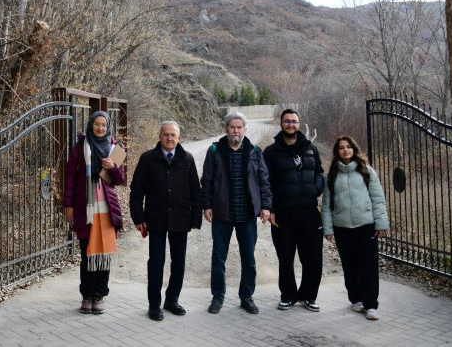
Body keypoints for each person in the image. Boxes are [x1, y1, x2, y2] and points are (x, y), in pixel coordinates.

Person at [130, 121, 202, 321]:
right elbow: (136, 190)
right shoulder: (147, 159)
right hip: (156, 218)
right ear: (160, 136)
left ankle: (172, 300)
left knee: (178, 263)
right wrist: (138, 217)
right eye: (166, 134)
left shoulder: (187, 159)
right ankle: (154, 304)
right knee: (156, 262)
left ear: (179, 137)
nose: (170, 138)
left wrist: (195, 218)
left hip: (180, 218)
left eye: (173, 135)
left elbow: (196, 191)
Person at [201, 111, 272, 315]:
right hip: (222, 213)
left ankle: (246, 296)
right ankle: (218, 297)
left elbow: (264, 181)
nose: (236, 131)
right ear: (226, 129)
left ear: (244, 129)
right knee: (218, 258)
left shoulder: (254, 151)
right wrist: (207, 205)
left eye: (239, 127)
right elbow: (207, 180)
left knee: (248, 258)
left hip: (247, 214)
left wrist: (266, 206)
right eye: (232, 127)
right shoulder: (215, 150)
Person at [63, 111, 126, 315]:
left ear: (108, 127)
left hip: (107, 209)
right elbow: (70, 176)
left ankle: (99, 295)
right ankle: (87, 296)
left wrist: (113, 167)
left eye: (104, 125)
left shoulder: (115, 148)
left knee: (104, 254)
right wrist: (68, 204)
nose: (100, 128)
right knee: (87, 253)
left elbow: (120, 180)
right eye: (97, 124)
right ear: (91, 125)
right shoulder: (80, 146)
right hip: (85, 208)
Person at [263, 109, 325, 312]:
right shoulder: (271, 152)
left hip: (309, 212)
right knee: (286, 258)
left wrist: (316, 188)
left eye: (294, 121)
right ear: (281, 124)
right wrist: (270, 208)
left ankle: (309, 296)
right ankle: (288, 295)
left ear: (299, 124)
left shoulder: (311, 149)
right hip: (283, 213)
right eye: (287, 121)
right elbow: (265, 182)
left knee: (313, 258)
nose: (291, 124)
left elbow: (320, 172)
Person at [322, 136, 389, 321]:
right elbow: (326, 205)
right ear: (337, 152)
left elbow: (378, 199)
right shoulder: (331, 176)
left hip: (366, 226)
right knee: (350, 266)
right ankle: (356, 299)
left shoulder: (366, 171)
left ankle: (371, 305)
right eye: (341, 148)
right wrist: (328, 229)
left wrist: (381, 223)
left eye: (348, 147)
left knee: (369, 266)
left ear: (354, 149)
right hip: (342, 228)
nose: (345, 150)